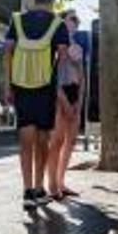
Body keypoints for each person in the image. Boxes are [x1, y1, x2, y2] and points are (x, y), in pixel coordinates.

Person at [4, 0, 69, 210]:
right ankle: (39, 189)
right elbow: (62, 59)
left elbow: (8, 51)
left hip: (20, 85)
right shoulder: (58, 25)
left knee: (25, 140)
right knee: (43, 140)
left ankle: (26, 190)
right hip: (45, 87)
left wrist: (9, 85)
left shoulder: (17, 20)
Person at [46, 10, 84, 200]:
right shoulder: (55, 45)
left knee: (70, 142)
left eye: (77, 20)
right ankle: (52, 184)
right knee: (57, 141)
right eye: (72, 19)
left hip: (75, 95)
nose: (75, 23)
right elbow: (52, 78)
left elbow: (82, 77)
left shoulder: (77, 47)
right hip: (59, 94)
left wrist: (78, 102)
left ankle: (61, 182)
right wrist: (63, 102)